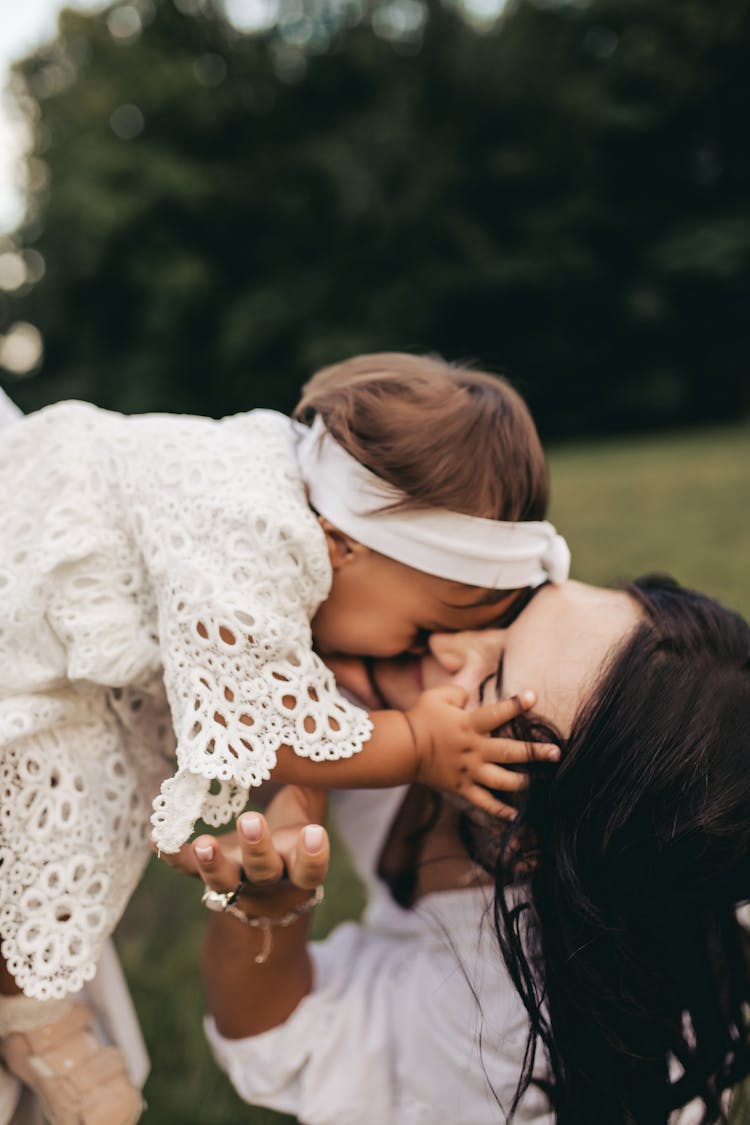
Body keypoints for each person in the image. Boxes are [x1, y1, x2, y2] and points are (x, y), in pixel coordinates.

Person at [0, 356, 565, 1122]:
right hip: (26, 588)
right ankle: (33, 1013)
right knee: (49, 779)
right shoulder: (256, 530)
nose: (416, 657)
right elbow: (259, 723)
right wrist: (418, 745)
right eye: (422, 627)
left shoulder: (285, 482)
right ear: (348, 547)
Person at [178, 576, 750, 1125]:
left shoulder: (491, 1029)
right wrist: (305, 767)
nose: (453, 641)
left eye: (495, 679)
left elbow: (276, 1039)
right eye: (525, 606)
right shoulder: (479, 659)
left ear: (527, 844)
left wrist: (270, 908)